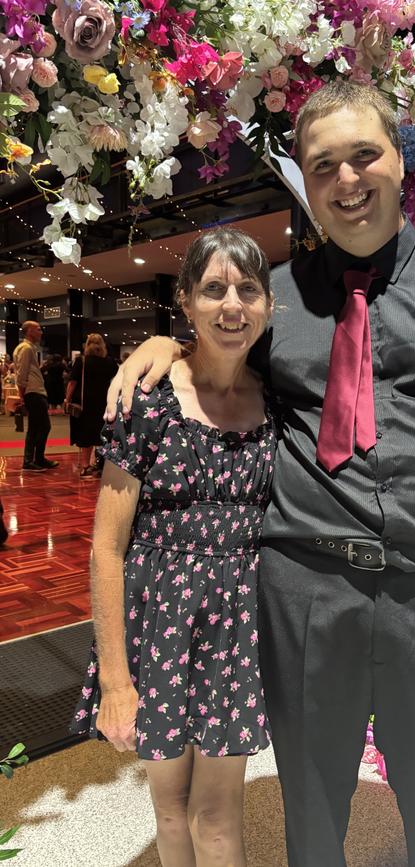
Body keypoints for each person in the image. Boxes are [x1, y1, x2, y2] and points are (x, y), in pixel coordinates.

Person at [107, 81, 415, 867]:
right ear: (305, 178)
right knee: (309, 794)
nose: (346, 179)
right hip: (304, 590)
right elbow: (215, 359)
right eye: (323, 163)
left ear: (399, 162)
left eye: (364, 154)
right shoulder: (280, 302)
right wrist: (162, 347)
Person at [72, 227, 275, 867]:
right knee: (170, 809)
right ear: (185, 301)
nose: (232, 306)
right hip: (158, 621)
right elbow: (107, 547)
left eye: (248, 289)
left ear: (269, 304)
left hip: (238, 626)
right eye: (213, 290)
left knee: (217, 816)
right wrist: (114, 677)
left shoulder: (278, 399)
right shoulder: (148, 401)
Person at [64, 335, 119, 478]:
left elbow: (72, 382)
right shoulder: (110, 362)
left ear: (86, 345)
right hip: (104, 403)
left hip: (84, 404)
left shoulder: (81, 361)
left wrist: (67, 399)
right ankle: (101, 465)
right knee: (102, 435)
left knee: (85, 435)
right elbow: (118, 379)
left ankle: (85, 466)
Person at [13, 321, 59, 472]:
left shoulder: (28, 348)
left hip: (34, 392)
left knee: (36, 427)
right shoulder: (26, 348)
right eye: (38, 329)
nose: (41, 332)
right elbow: (21, 374)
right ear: (30, 332)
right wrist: (21, 396)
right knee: (43, 427)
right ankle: (31, 460)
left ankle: (35, 459)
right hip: (33, 392)